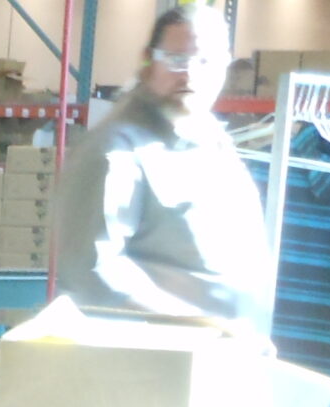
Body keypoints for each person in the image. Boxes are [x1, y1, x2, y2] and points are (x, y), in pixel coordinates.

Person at [55, 5, 273, 330]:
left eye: (204, 62)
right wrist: (199, 325)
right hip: (157, 365)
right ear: (147, 62)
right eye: (176, 60)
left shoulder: (211, 141)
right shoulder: (115, 151)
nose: (190, 75)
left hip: (221, 357)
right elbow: (93, 271)